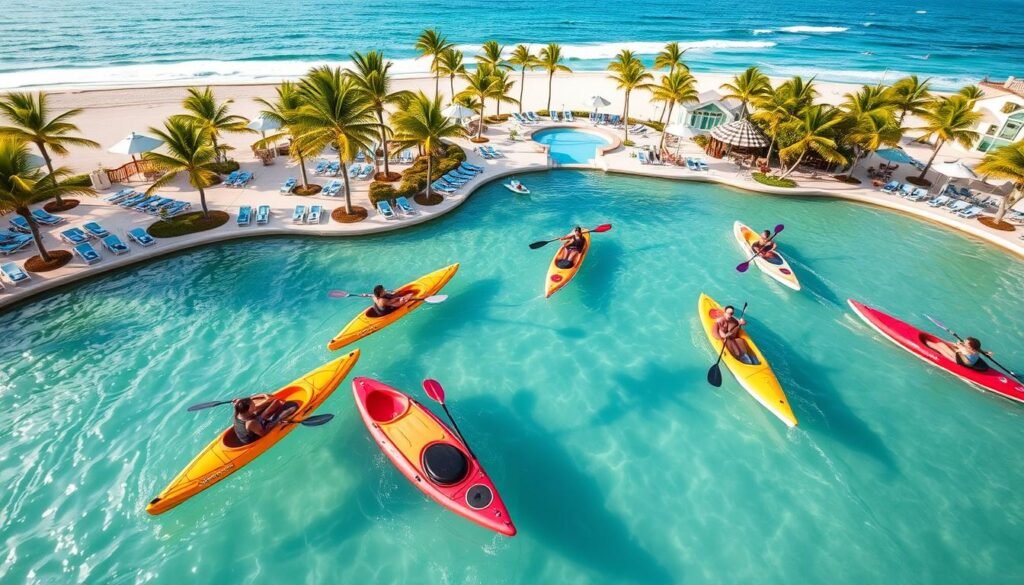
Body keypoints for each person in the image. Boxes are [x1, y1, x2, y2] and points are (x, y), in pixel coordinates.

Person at [233, 394, 299, 445]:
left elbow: (237, 406)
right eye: (253, 405)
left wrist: (239, 402)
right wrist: (277, 423)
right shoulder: (251, 423)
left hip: (252, 427)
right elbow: (264, 433)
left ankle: (264, 416)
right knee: (291, 408)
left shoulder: (237, 412)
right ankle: (270, 418)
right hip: (254, 436)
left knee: (270, 404)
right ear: (249, 409)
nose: (255, 405)